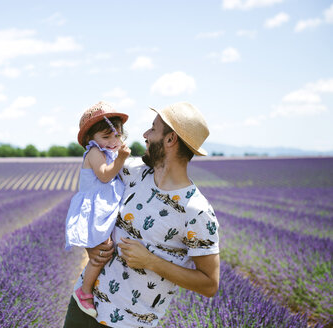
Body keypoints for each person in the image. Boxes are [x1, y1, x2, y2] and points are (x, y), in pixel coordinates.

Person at [63, 102, 220, 328]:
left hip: (128, 323)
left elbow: (209, 285)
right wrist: (91, 243)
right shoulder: (131, 171)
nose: (144, 135)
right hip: (83, 308)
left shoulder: (197, 211)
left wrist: (151, 261)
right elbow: (92, 190)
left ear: (170, 139)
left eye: (153, 129)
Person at [64, 101, 132, 318]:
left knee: (106, 250)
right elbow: (104, 175)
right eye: (106, 137)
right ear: (90, 139)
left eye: (117, 136)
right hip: (95, 212)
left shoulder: (106, 151)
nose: (113, 142)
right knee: (102, 252)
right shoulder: (94, 152)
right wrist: (121, 158)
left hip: (104, 210)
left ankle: (93, 287)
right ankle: (84, 292)